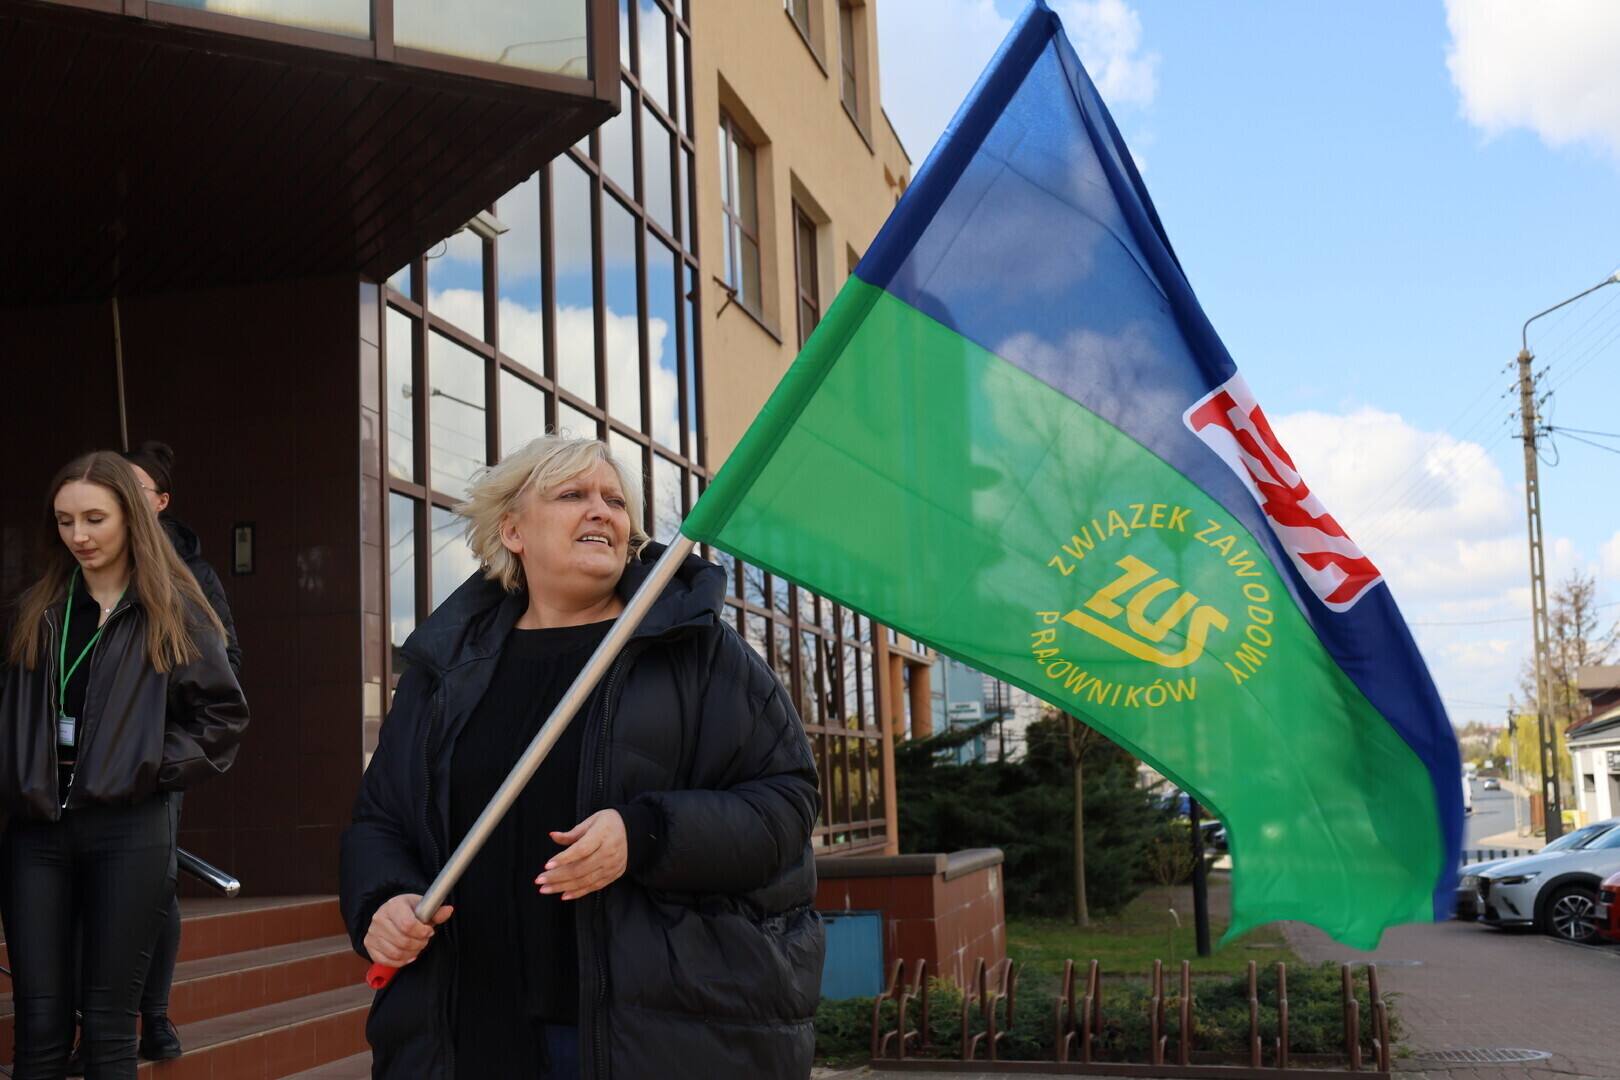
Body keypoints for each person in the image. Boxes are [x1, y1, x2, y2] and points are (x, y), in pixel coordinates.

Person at [339, 435, 823, 1080]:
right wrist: (382, 903)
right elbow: (381, 822)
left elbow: (785, 805)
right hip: (467, 1034)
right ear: (512, 530)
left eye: (615, 502)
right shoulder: (444, 669)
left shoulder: (698, 651)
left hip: (649, 1037)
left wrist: (645, 834)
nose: (601, 510)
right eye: (572, 495)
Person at [0, 451, 249, 1079]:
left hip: (130, 828)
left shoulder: (176, 608)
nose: (78, 535)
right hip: (36, 830)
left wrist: (146, 766)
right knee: (38, 1026)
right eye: (64, 521)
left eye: (94, 518)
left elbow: (222, 717)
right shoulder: (37, 609)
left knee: (109, 1029)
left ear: (132, 517)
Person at [115, 441, 242, 1064]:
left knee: (153, 887)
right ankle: (94, 1023)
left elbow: (226, 664)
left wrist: (160, 742)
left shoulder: (192, 574)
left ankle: (155, 1015)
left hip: (152, 761)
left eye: (132, 489)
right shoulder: (79, 569)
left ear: (161, 501)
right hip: (80, 765)